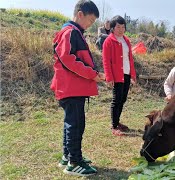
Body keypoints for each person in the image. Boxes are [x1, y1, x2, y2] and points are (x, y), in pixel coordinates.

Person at [51, 0, 105, 176]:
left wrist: (94, 73)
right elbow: (68, 59)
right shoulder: (70, 32)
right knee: (75, 124)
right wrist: (92, 74)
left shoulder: (75, 32)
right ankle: (75, 161)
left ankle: (68, 156)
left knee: (71, 123)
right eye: (90, 20)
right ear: (80, 14)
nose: (90, 25)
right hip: (71, 88)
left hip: (71, 88)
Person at [102, 15, 137, 136]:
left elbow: (130, 59)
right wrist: (109, 77)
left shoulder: (126, 40)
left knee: (123, 99)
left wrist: (133, 74)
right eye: (118, 26)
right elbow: (106, 60)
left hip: (126, 74)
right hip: (116, 75)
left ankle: (117, 122)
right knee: (116, 100)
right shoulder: (109, 41)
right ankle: (114, 125)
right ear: (112, 28)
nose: (121, 29)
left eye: (123, 26)